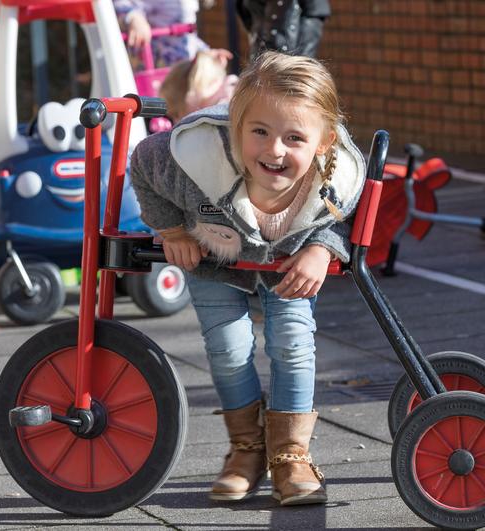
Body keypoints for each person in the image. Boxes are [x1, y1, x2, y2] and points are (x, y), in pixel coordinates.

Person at [130, 51, 365, 506]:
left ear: (323, 143)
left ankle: (291, 455)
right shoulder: (195, 158)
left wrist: (322, 248)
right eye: (259, 132)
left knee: (292, 341)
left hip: (287, 260)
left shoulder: (335, 176)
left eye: (294, 138)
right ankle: (247, 449)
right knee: (227, 345)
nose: (274, 150)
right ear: (237, 126)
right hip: (215, 256)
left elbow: (345, 217)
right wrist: (173, 230)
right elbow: (143, 163)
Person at [114, 0, 209, 67]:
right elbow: (120, 4)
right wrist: (134, 18)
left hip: (184, 67)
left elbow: (187, 37)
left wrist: (206, 53)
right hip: (157, 69)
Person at [158, 49, 238, 123]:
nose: (175, 122)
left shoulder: (225, 108)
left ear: (189, 96)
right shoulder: (223, 92)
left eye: (176, 114)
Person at [236, 0, 331, 59]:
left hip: (291, 57)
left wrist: (301, 61)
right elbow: (245, 13)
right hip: (258, 58)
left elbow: (315, 13)